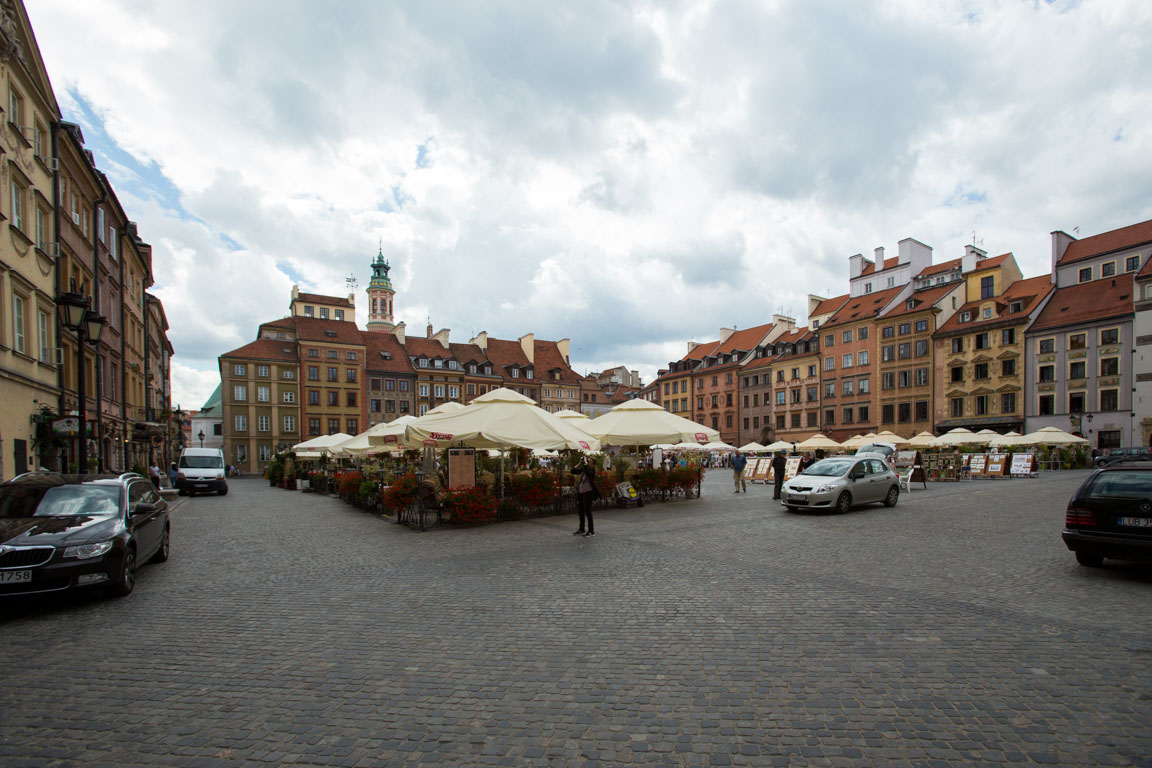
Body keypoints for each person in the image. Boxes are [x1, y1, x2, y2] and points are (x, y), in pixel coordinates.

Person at [574, 457, 600, 537]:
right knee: (581, 511)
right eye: (587, 461)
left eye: (589, 461)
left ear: (593, 463)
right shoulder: (584, 469)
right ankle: (582, 529)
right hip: (581, 492)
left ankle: (591, 531)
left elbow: (589, 474)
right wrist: (579, 463)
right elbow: (573, 471)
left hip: (588, 493)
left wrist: (585, 464)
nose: (588, 462)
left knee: (588, 512)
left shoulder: (592, 470)